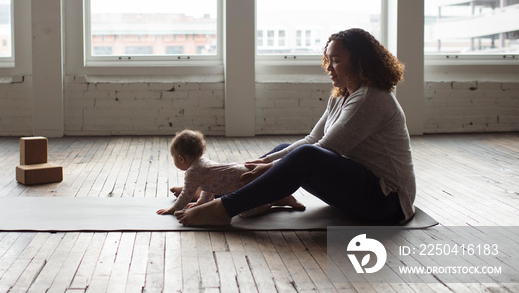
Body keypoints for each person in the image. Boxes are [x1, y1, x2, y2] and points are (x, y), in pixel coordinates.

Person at [175, 28, 416, 227]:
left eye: (337, 61)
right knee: (286, 148)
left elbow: (325, 148)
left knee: (304, 156)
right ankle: (219, 187)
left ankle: (223, 208)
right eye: (328, 60)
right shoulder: (341, 96)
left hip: (388, 203)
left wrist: (269, 166)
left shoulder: (370, 98)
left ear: (360, 64)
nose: (329, 67)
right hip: (364, 192)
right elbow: (312, 138)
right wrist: (266, 162)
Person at [157, 129, 305, 216]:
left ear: (181, 159)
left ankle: (275, 201)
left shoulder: (192, 172)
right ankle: (278, 197)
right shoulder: (202, 163)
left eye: (173, 157)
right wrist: (201, 203)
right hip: (241, 172)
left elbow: (186, 196)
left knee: (245, 213)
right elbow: (209, 186)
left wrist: (173, 209)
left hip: (243, 182)